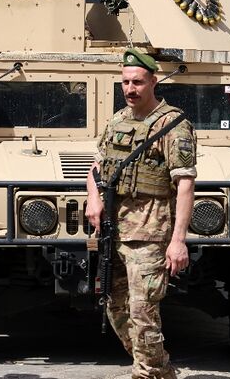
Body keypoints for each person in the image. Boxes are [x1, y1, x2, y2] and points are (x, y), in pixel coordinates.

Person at [85, 49, 197, 379]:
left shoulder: (173, 125)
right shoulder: (118, 121)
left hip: (150, 235)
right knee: (115, 308)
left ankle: (147, 373)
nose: (130, 89)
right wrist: (94, 199)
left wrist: (178, 242)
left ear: (153, 81)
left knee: (143, 312)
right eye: (125, 82)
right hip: (113, 232)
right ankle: (158, 370)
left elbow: (186, 186)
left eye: (137, 82)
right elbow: (96, 167)